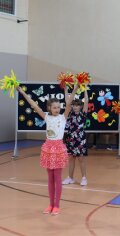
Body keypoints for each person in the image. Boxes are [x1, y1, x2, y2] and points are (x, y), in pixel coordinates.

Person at [17, 83, 78, 215]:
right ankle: (50, 205)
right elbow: (33, 104)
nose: (57, 109)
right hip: (48, 148)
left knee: (57, 177)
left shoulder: (63, 118)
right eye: (54, 107)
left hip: (58, 149)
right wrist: (21, 91)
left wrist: (77, 86)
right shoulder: (46, 117)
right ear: (49, 108)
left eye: (58, 107)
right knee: (50, 178)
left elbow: (69, 103)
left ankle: (57, 205)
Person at [62, 88, 89, 186]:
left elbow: (86, 101)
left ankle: (84, 178)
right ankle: (70, 177)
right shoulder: (69, 113)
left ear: (81, 107)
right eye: (74, 105)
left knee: (81, 159)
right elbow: (67, 101)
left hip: (80, 139)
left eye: (77, 105)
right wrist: (65, 89)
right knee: (71, 158)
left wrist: (85, 88)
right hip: (70, 139)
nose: (75, 107)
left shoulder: (83, 114)